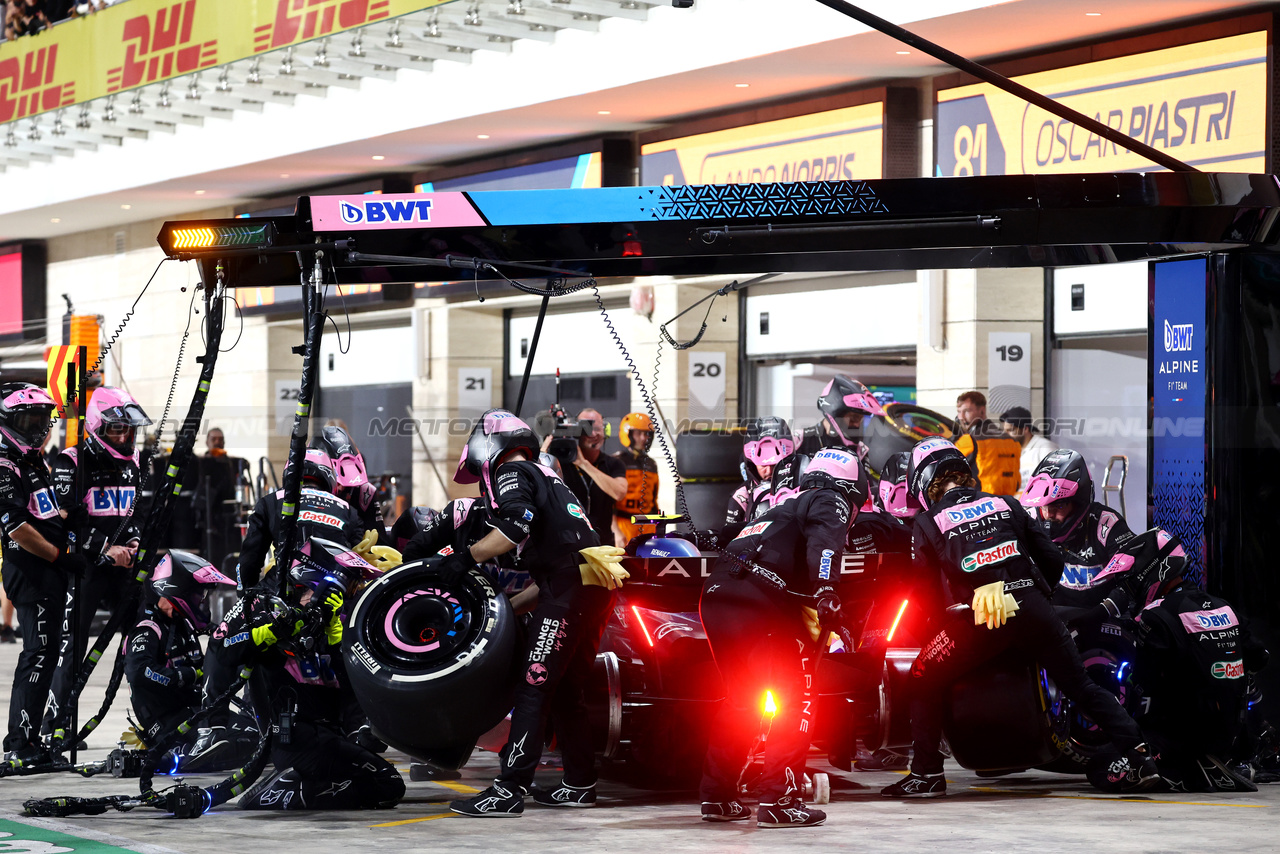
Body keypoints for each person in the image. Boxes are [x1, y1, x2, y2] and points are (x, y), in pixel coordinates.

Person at [881, 438, 1158, 798]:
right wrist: (1031, 594)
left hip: (982, 619)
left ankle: (927, 773)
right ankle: (1140, 757)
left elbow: (923, 593)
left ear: (922, 483)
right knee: (1082, 685)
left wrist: (951, 621)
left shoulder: (928, 521)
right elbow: (1053, 560)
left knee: (921, 675)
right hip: (1034, 607)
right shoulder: (1005, 502)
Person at [446, 409, 610, 817]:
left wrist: (464, 558)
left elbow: (513, 529)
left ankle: (508, 789)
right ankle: (580, 783)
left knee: (533, 685)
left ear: (487, 448)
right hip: (591, 584)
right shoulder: (549, 475)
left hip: (571, 587)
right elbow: (558, 576)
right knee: (568, 692)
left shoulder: (510, 472)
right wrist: (505, 609)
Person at [699, 447, 863, 828]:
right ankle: (779, 800)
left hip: (717, 597)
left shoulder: (781, 508)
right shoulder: (831, 498)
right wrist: (827, 588)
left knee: (740, 701)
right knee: (798, 699)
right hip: (758, 603)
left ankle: (717, 796)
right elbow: (825, 544)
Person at [237, 538, 404, 810]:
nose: (349, 594)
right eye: (347, 585)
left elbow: (349, 690)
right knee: (389, 785)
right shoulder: (277, 623)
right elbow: (230, 652)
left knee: (384, 784)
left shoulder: (333, 630)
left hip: (325, 738)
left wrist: (335, 637)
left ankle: (295, 786)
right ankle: (282, 793)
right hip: (297, 741)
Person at [1103, 542, 1267, 792]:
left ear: (1152, 573)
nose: (1127, 587)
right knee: (1244, 675)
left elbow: (1143, 686)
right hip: (1232, 737)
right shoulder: (1224, 605)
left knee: (1101, 768)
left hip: (1181, 738)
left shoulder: (1155, 614)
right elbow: (1260, 658)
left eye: (1130, 580)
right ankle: (1235, 758)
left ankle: (1185, 773)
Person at [43, 386, 151, 747]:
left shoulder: (135, 461)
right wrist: (105, 547)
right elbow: (62, 522)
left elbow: (136, 511)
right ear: (96, 426)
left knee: (143, 639)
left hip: (125, 568)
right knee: (72, 646)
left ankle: (151, 720)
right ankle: (56, 726)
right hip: (85, 567)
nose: (124, 437)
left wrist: (134, 541)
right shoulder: (70, 461)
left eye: (128, 430)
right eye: (116, 429)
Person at [0, 383, 81, 767]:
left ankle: (27, 739)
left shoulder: (32, 459)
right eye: (26, 419)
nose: (35, 427)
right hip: (31, 571)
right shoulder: (4, 463)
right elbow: (15, 527)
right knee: (38, 655)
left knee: (46, 655)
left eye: (39, 419)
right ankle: (21, 743)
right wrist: (60, 555)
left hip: (47, 571)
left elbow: (44, 512)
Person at [124, 550, 238, 764]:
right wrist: (187, 675)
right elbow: (139, 673)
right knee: (236, 741)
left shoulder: (183, 625)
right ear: (178, 589)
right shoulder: (148, 630)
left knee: (252, 730)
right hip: (166, 719)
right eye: (198, 595)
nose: (202, 601)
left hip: (193, 711)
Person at [234, 449, 364, 591]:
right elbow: (357, 567)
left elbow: (249, 560)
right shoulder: (349, 510)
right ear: (330, 477)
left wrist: (245, 594)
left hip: (283, 589)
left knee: (242, 609)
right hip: (331, 592)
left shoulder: (270, 501)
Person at [1020, 449, 1134, 579]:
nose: (1049, 515)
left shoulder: (1107, 523)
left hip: (1103, 598)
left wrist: (1112, 600)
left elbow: (1134, 575)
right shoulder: (1030, 520)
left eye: (1059, 506)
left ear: (1078, 503)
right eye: (1044, 506)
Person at [554, 408, 626, 543]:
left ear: (606, 431)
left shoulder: (614, 464)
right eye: (586, 429)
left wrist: (584, 464)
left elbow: (620, 492)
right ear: (576, 433)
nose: (593, 434)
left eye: (598, 428)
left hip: (604, 544)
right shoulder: (561, 464)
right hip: (571, 544)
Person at [311, 423, 389, 546]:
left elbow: (380, 546)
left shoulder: (365, 493)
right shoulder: (304, 492)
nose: (341, 487)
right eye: (337, 482)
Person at [724, 417, 795, 537]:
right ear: (752, 464)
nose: (769, 471)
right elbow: (728, 537)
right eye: (763, 465)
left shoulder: (802, 485)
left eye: (775, 465)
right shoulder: (741, 495)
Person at [796, 376, 884, 461]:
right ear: (836, 413)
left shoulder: (860, 449)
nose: (857, 424)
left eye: (860, 419)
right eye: (853, 418)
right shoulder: (798, 440)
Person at [952, 391, 1022, 495]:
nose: (961, 417)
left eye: (967, 411)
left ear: (982, 411)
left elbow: (948, 460)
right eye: (959, 412)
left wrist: (954, 437)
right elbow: (1016, 479)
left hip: (982, 502)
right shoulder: (1011, 440)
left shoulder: (969, 440)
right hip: (1009, 500)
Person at [613, 412, 660, 545]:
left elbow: (654, 500)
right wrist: (615, 530)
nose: (643, 438)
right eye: (638, 433)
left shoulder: (651, 464)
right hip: (624, 525)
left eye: (646, 434)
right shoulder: (617, 462)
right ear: (628, 434)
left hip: (649, 526)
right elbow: (608, 502)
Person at [999, 406, 1059, 490]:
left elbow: (1055, 484)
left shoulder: (1045, 448)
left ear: (1025, 429)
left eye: (1010, 430)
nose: (1006, 435)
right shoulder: (1013, 452)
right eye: (1005, 431)